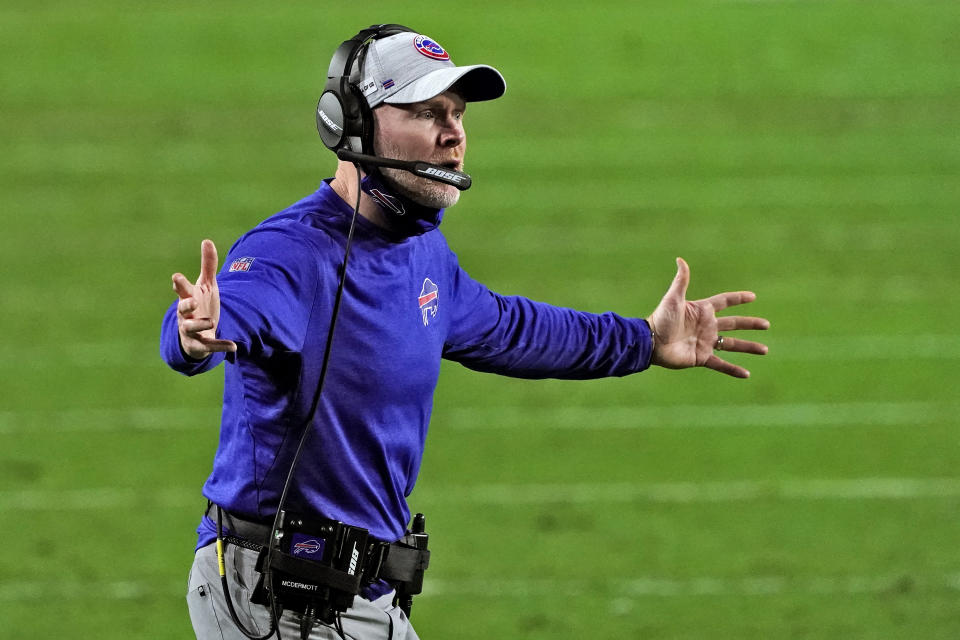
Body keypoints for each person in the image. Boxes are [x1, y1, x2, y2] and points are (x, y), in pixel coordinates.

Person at [160, 24, 769, 640]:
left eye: (456, 113)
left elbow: (510, 327)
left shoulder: (423, 254)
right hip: (276, 599)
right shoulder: (292, 253)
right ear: (350, 124)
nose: (454, 134)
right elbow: (230, 311)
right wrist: (195, 333)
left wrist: (643, 339)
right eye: (427, 112)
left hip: (357, 596)